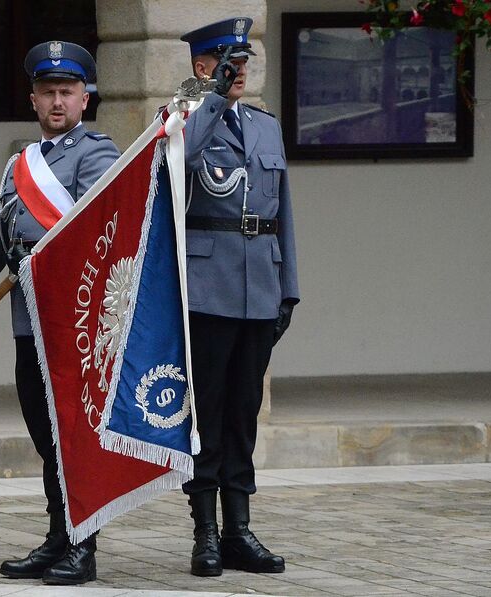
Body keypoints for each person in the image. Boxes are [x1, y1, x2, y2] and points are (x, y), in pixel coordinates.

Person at [0, 41, 119, 586]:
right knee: (47, 437)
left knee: (73, 437)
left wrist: (38, 252)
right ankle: (58, 537)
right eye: (48, 92)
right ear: (33, 99)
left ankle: (83, 546)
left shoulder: (98, 153)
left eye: (67, 92)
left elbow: (96, 229)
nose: (58, 101)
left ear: (85, 99)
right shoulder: (21, 166)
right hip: (30, 323)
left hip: (75, 320)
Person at [177, 17, 299, 577]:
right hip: (207, 290)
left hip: (259, 287)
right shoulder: (183, 120)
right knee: (208, 414)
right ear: (203, 66)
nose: (240, 71)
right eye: (228, 62)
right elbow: (180, 160)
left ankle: (239, 529)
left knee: (244, 415)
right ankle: (204, 531)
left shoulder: (265, 127)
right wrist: (209, 98)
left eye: (244, 62)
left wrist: (288, 287)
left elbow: (284, 215)